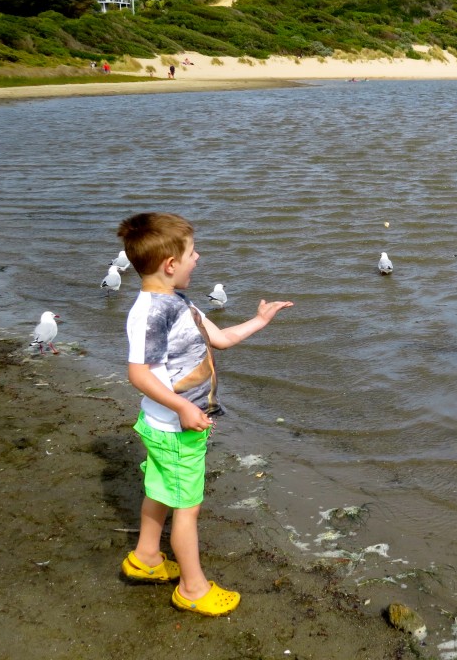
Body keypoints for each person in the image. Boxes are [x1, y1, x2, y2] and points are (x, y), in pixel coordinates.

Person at [116, 212, 293, 616]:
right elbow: (138, 373)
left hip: (165, 424)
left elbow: (221, 339)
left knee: (161, 489)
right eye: (193, 252)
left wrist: (260, 321)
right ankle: (193, 589)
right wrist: (182, 408)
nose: (200, 258)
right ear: (170, 265)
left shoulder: (178, 300)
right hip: (176, 426)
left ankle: (146, 556)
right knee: (187, 508)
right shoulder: (151, 313)